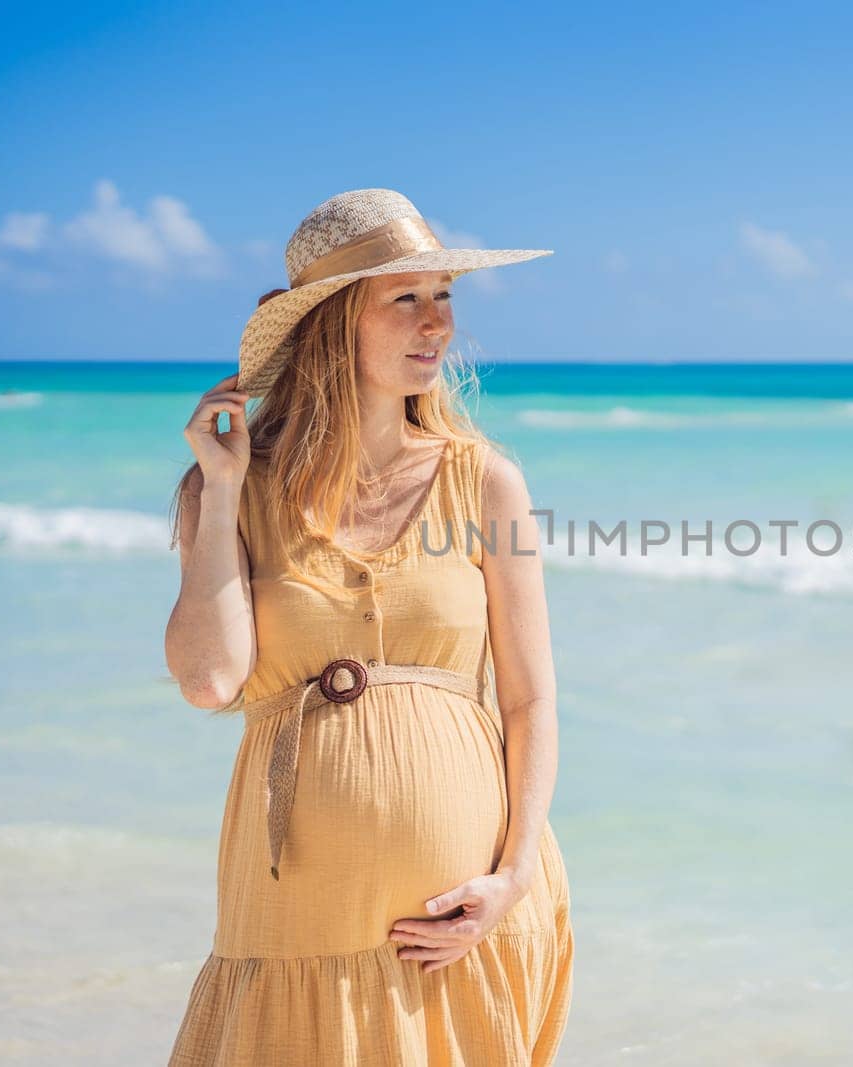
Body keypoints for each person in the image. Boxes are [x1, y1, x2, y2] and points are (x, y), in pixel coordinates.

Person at [162, 188, 573, 1065]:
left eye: (446, 297)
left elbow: (532, 698)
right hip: (293, 913)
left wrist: (514, 875)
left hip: (460, 925)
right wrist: (226, 490)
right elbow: (209, 679)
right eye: (406, 299)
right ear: (333, 325)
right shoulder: (231, 489)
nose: (438, 324)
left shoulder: (485, 481)